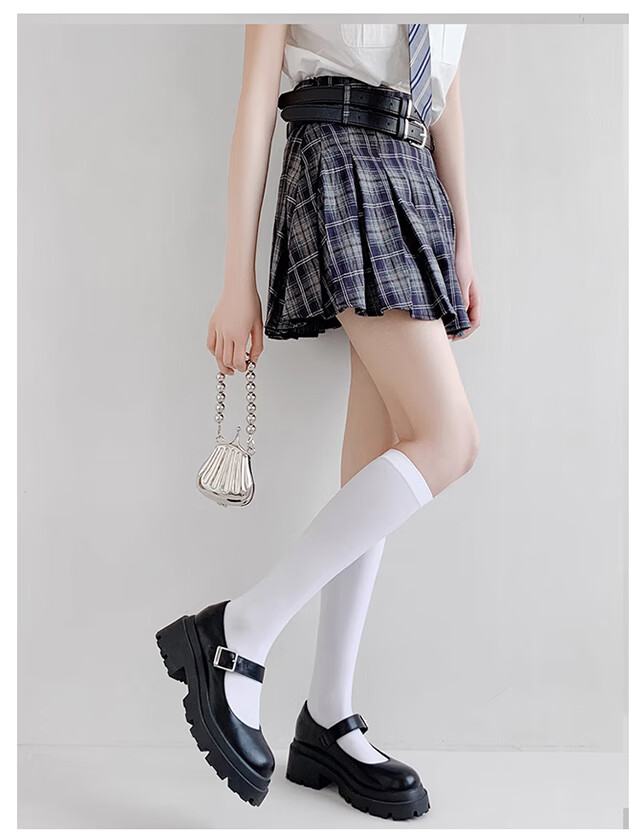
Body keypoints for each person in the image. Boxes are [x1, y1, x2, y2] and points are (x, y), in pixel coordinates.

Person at [156, 22, 481, 821]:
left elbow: (443, 85)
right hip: (338, 152)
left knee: (382, 453)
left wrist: (464, 238)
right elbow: (254, 102)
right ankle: (239, 629)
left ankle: (327, 715)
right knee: (449, 441)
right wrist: (235, 279)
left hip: (414, 172)